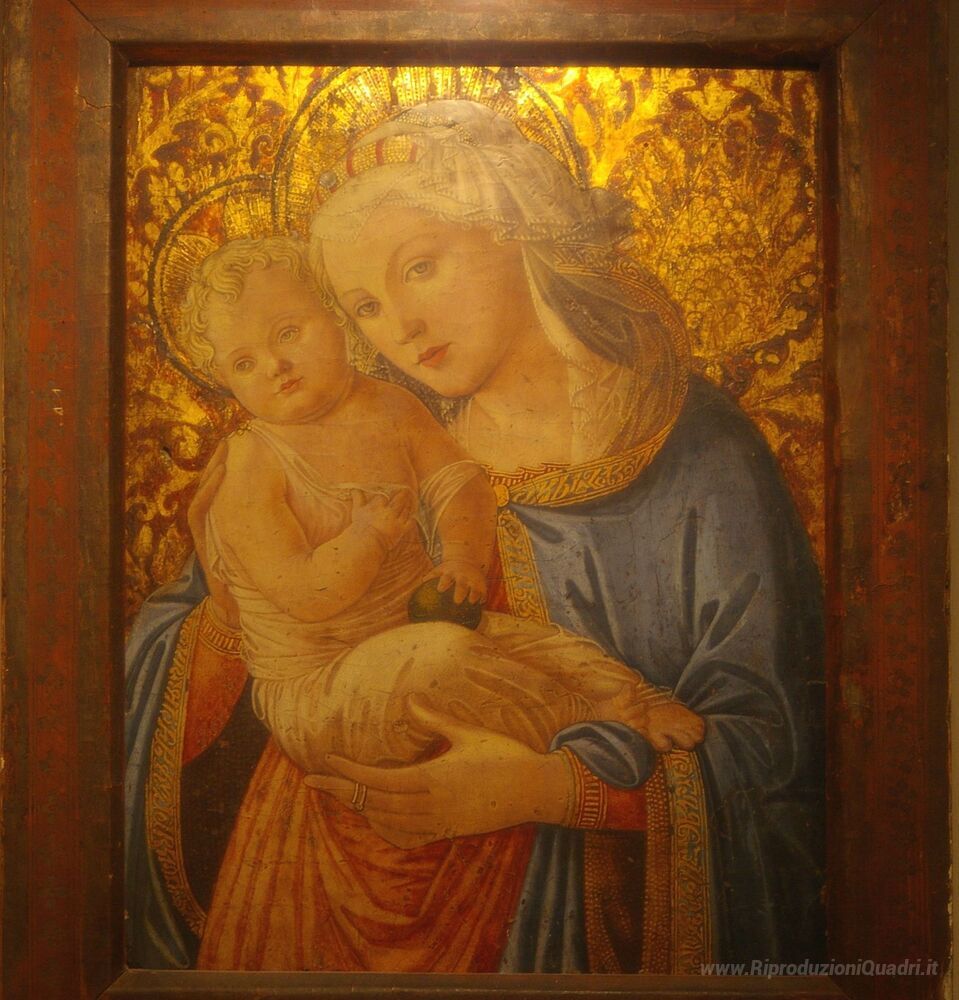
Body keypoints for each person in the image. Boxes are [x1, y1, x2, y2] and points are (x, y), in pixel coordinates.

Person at [126, 98, 824, 974]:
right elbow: (180, 671)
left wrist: (550, 788)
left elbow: (782, 751)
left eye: (421, 267)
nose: (402, 328)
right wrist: (227, 600)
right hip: (311, 880)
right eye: (365, 305)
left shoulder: (696, 452)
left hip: (555, 927)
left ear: (512, 228)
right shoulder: (320, 439)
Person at [177, 233, 703, 779]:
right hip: (322, 692)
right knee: (441, 660)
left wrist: (462, 560)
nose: (275, 365)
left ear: (335, 318)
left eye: (288, 333)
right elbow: (306, 596)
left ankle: (635, 698)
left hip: (415, 628)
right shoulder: (249, 467)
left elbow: (459, 483)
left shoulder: (389, 405)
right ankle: (594, 721)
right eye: (244, 363)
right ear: (225, 382)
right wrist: (367, 537)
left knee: (536, 645)